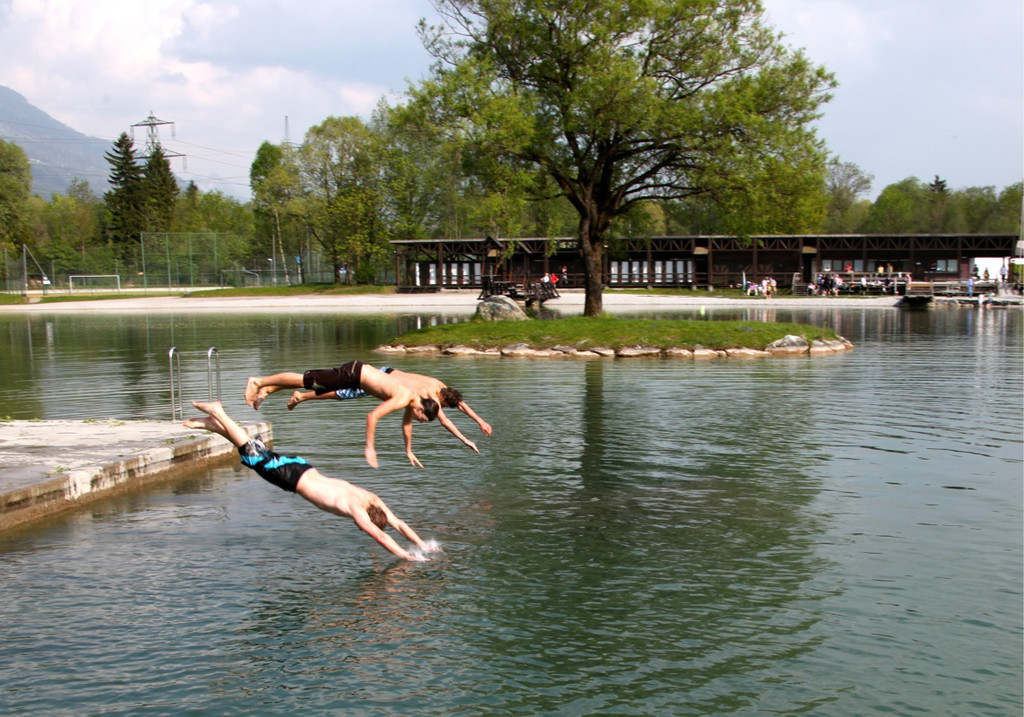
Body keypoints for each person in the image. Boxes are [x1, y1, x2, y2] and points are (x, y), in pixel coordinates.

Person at [183, 400, 438, 562]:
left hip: (302, 466)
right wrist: (407, 556)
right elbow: (381, 537)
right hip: (292, 478)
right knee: (252, 454)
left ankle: (214, 426)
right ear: (368, 520)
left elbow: (398, 523)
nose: (361, 528)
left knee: (258, 454)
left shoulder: (372, 500)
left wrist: (422, 544)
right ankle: (219, 412)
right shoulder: (357, 511)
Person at [245, 361, 438, 468]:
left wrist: (408, 451)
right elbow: (372, 417)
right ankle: (258, 382)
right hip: (353, 374)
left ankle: (267, 389)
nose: (419, 422)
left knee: (310, 384)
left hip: (356, 376)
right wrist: (370, 448)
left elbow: (406, 425)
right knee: (304, 380)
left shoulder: (412, 398)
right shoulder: (404, 399)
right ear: (421, 410)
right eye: (423, 420)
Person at [286, 366, 492, 455]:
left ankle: (301, 394)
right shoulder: (430, 395)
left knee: (342, 392)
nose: (441, 408)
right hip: (384, 381)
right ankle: (301, 396)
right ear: (443, 399)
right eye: (444, 406)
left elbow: (461, 404)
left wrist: (480, 421)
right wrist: (465, 440)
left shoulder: (440, 385)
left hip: (388, 373)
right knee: (342, 393)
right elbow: (445, 421)